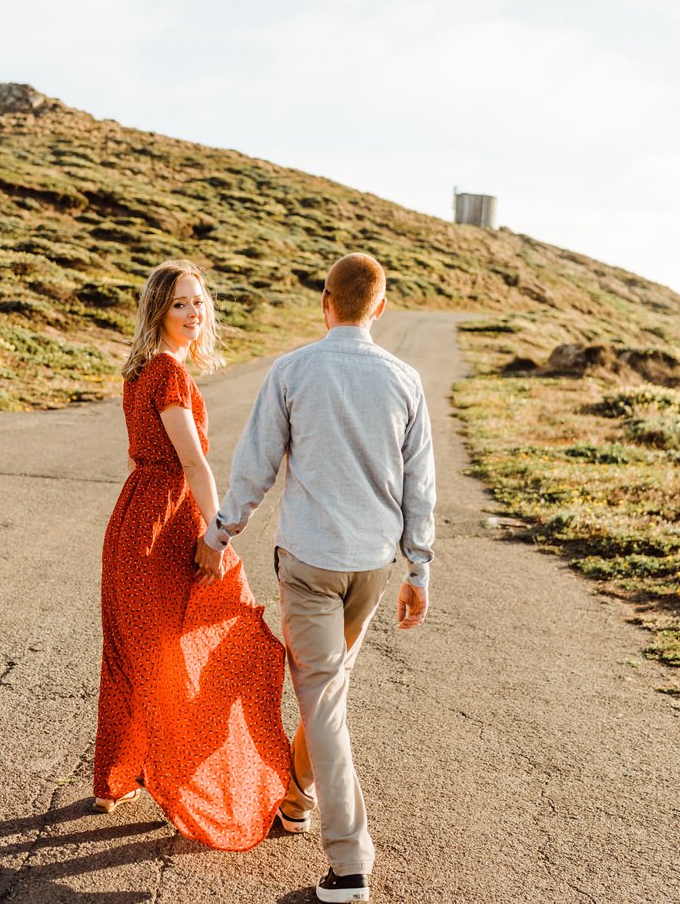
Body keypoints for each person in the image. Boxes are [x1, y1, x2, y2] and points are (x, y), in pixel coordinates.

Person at [207, 252, 435, 903]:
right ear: (381, 308)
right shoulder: (406, 380)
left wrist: (218, 533)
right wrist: (420, 566)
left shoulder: (293, 370)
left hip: (308, 564)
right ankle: (299, 797)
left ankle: (348, 864)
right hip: (373, 566)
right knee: (327, 691)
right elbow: (421, 482)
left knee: (324, 700)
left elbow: (253, 466)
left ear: (324, 301)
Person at [92, 259, 291, 851]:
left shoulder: (138, 372)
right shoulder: (169, 375)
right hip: (166, 522)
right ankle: (189, 776)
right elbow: (193, 462)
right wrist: (219, 532)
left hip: (134, 515)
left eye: (199, 302)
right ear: (158, 310)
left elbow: (138, 458)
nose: (194, 313)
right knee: (216, 636)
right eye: (181, 303)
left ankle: (115, 779)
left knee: (135, 648)